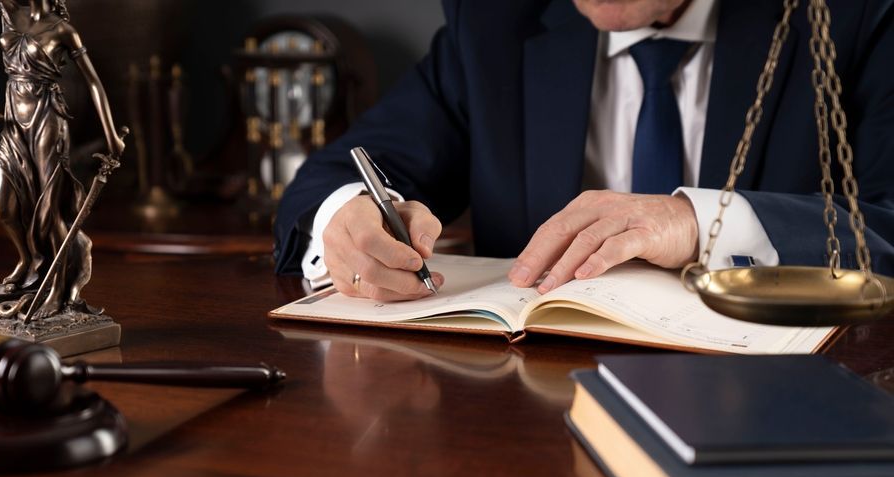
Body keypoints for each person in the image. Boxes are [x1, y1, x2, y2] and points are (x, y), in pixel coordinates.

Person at [273, 0, 894, 302]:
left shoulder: (854, 16)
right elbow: (331, 178)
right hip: (533, 410)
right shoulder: (496, 22)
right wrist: (346, 223)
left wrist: (693, 221)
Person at [0, 0, 124, 317]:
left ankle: (57, 290)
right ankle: (29, 258)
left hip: (46, 120)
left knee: (49, 210)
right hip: (13, 123)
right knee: (3, 206)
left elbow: (93, 82)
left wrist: (111, 134)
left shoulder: (63, 30)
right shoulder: (7, 10)